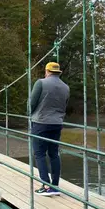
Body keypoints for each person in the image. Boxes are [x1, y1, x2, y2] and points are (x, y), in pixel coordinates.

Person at [29, 62, 70, 197]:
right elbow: (65, 105)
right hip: (57, 124)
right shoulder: (66, 87)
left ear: (47, 71)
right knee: (54, 153)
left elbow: (31, 104)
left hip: (40, 122)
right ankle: (55, 186)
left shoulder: (40, 83)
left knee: (39, 154)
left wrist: (29, 114)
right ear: (59, 72)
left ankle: (46, 185)